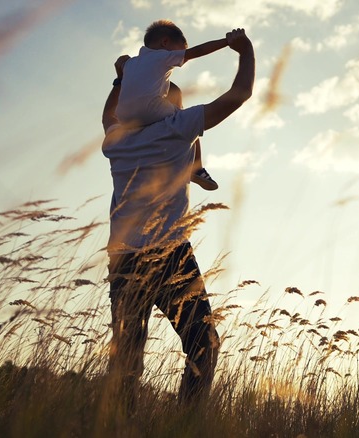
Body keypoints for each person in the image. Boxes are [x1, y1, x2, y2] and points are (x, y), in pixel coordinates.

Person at [100, 28, 255, 412]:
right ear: (169, 105)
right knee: (203, 345)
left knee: (125, 361)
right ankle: (183, 425)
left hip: (123, 259)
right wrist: (245, 51)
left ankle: (117, 428)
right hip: (170, 254)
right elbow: (240, 95)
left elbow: (109, 112)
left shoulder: (114, 139)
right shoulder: (177, 128)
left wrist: (122, 77)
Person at [115, 19, 225, 191]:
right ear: (165, 42)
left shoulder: (129, 63)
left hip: (122, 117)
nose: (182, 57)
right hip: (149, 108)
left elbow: (127, 79)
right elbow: (199, 51)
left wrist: (119, 74)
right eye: (181, 51)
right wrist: (227, 41)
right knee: (187, 118)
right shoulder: (162, 56)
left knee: (174, 92)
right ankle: (197, 169)